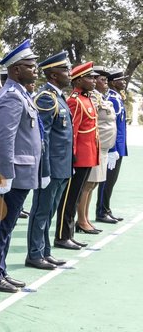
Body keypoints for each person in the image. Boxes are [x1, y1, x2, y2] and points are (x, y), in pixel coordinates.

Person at [0, 40, 41, 294]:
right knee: (1, 225)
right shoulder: (11, 97)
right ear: (16, 70)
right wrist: (4, 174)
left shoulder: (21, 94)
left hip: (21, 172)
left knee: (7, 225)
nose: (35, 69)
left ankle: (0, 269)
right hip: (12, 174)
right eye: (30, 66)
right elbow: (4, 139)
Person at [26, 51, 73, 270]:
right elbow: (42, 138)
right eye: (65, 70)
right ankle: (35, 254)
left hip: (62, 166)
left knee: (50, 210)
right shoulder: (46, 98)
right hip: (51, 166)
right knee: (41, 211)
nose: (69, 73)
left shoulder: (58, 97)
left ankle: (45, 251)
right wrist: (43, 169)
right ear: (53, 75)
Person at [55, 63, 99, 250]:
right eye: (90, 78)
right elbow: (71, 131)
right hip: (79, 156)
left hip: (88, 155)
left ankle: (70, 234)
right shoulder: (75, 100)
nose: (94, 81)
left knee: (76, 195)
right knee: (69, 198)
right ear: (79, 80)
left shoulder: (87, 98)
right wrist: (72, 154)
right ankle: (62, 236)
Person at [75, 67, 116, 235]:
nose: (102, 81)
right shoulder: (90, 98)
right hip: (92, 146)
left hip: (102, 148)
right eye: (99, 78)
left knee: (92, 185)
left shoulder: (100, 97)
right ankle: (82, 220)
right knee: (87, 185)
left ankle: (85, 218)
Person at [96, 69, 128, 223]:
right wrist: (113, 149)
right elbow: (110, 126)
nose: (124, 82)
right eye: (121, 80)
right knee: (106, 181)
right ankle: (102, 211)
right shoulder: (113, 99)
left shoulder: (116, 97)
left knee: (111, 180)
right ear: (113, 82)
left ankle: (106, 209)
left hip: (119, 146)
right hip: (113, 147)